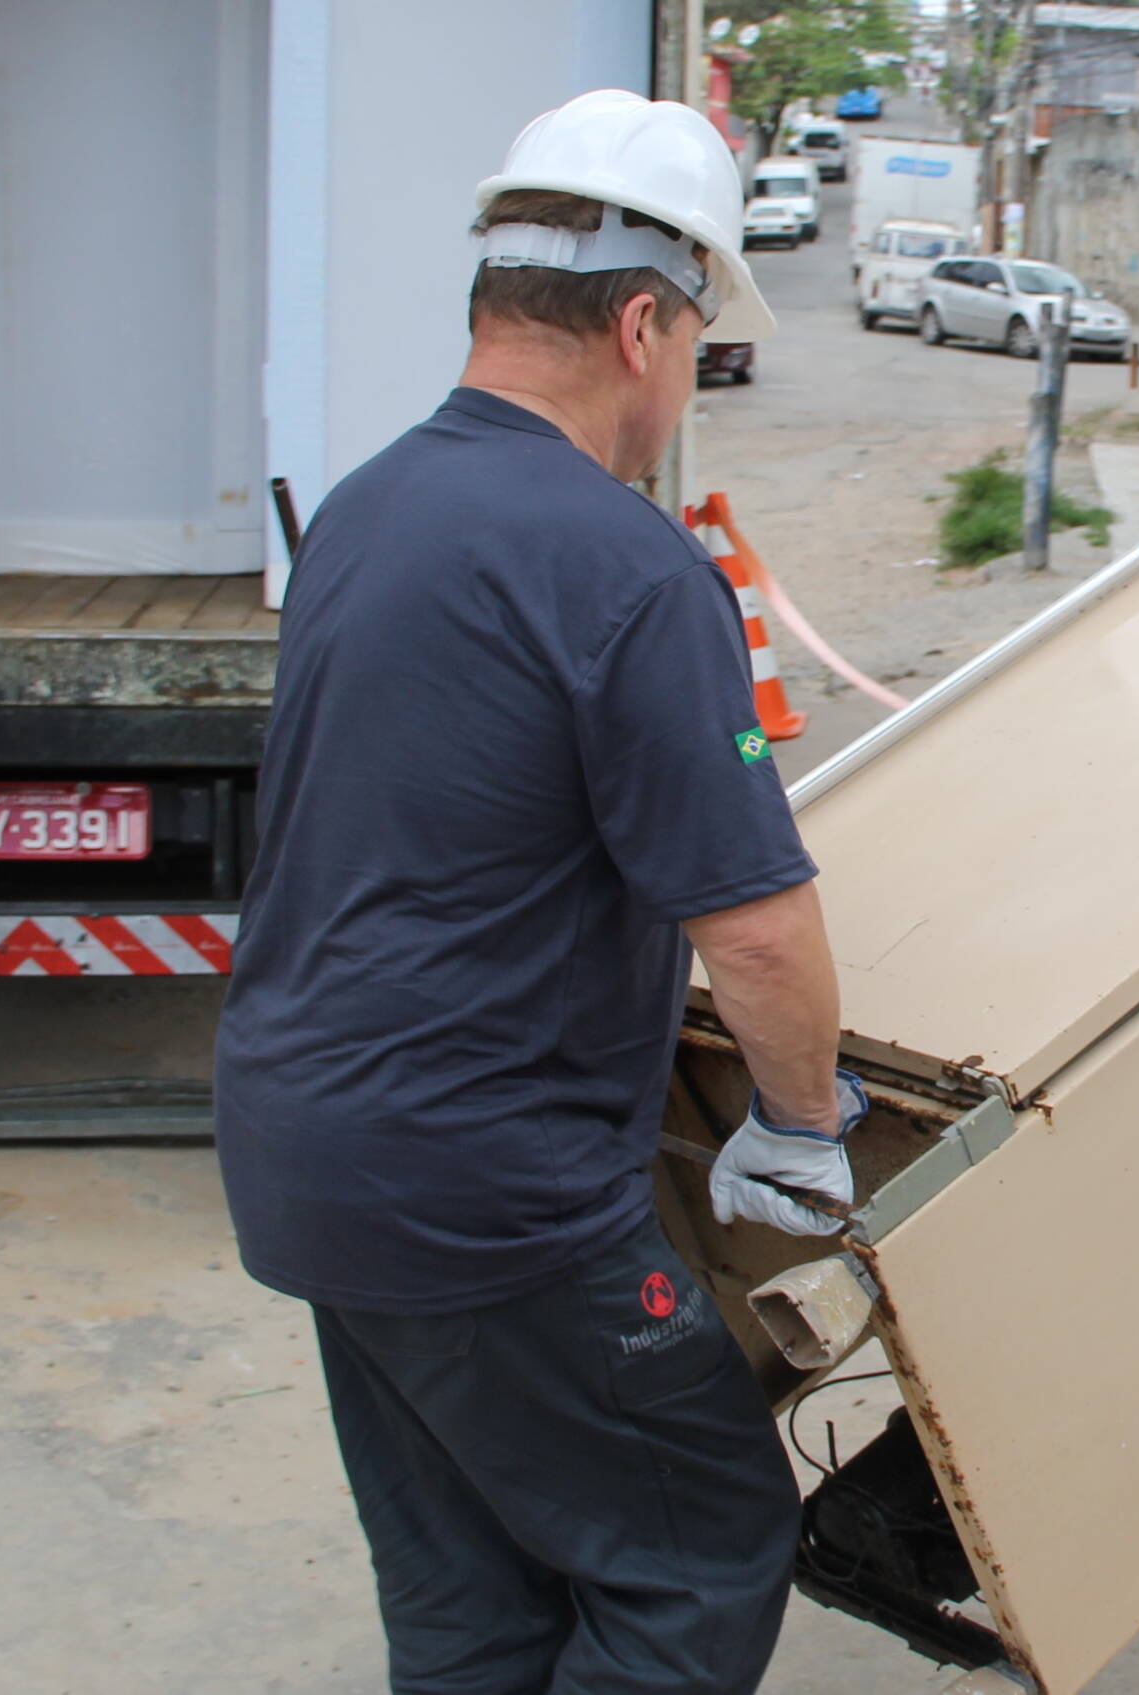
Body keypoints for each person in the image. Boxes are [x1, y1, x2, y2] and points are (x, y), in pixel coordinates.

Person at [213, 88, 864, 1693]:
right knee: (699, 1547)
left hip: (310, 1150)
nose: (684, 387)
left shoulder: (365, 508)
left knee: (472, 1588)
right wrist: (800, 1127)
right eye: (695, 344)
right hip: (488, 1194)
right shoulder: (627, 567)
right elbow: (756, 925)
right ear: (643, 326)